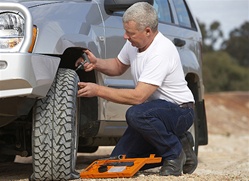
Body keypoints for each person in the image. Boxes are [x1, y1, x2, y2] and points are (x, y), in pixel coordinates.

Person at [76, 2, 197, 176]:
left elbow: (138, 97)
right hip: (153, 114)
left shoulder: (161, 51)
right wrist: (96, 64)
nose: (125, 36)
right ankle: (181, 143)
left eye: (130, 33)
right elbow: (118, 66)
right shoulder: (135, 43)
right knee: (119, 160)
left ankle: (174, 153)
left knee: (136, 113)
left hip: (179, 111)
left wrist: (98, 90)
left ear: (147, 31)